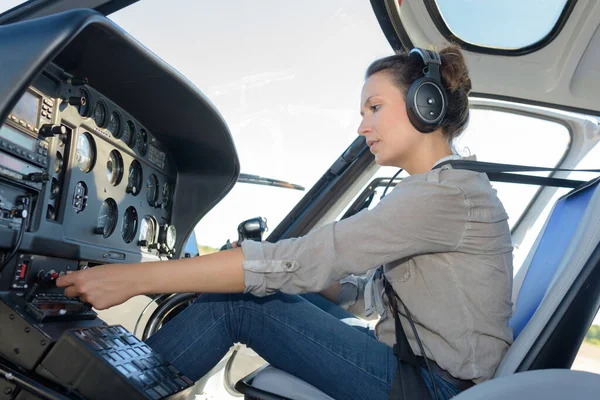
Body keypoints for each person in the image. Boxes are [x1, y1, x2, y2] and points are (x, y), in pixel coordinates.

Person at [56, 44, 514, 400]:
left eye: (374, 108)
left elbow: (305, 259)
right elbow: (366, 297)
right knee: (257, 287)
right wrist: (293, 274)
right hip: (422, 371)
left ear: (425, 105)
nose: (362, 127)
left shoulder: (444, 195)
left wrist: (132, 279)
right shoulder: (445, 190)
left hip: (433, 389)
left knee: (235, 304)